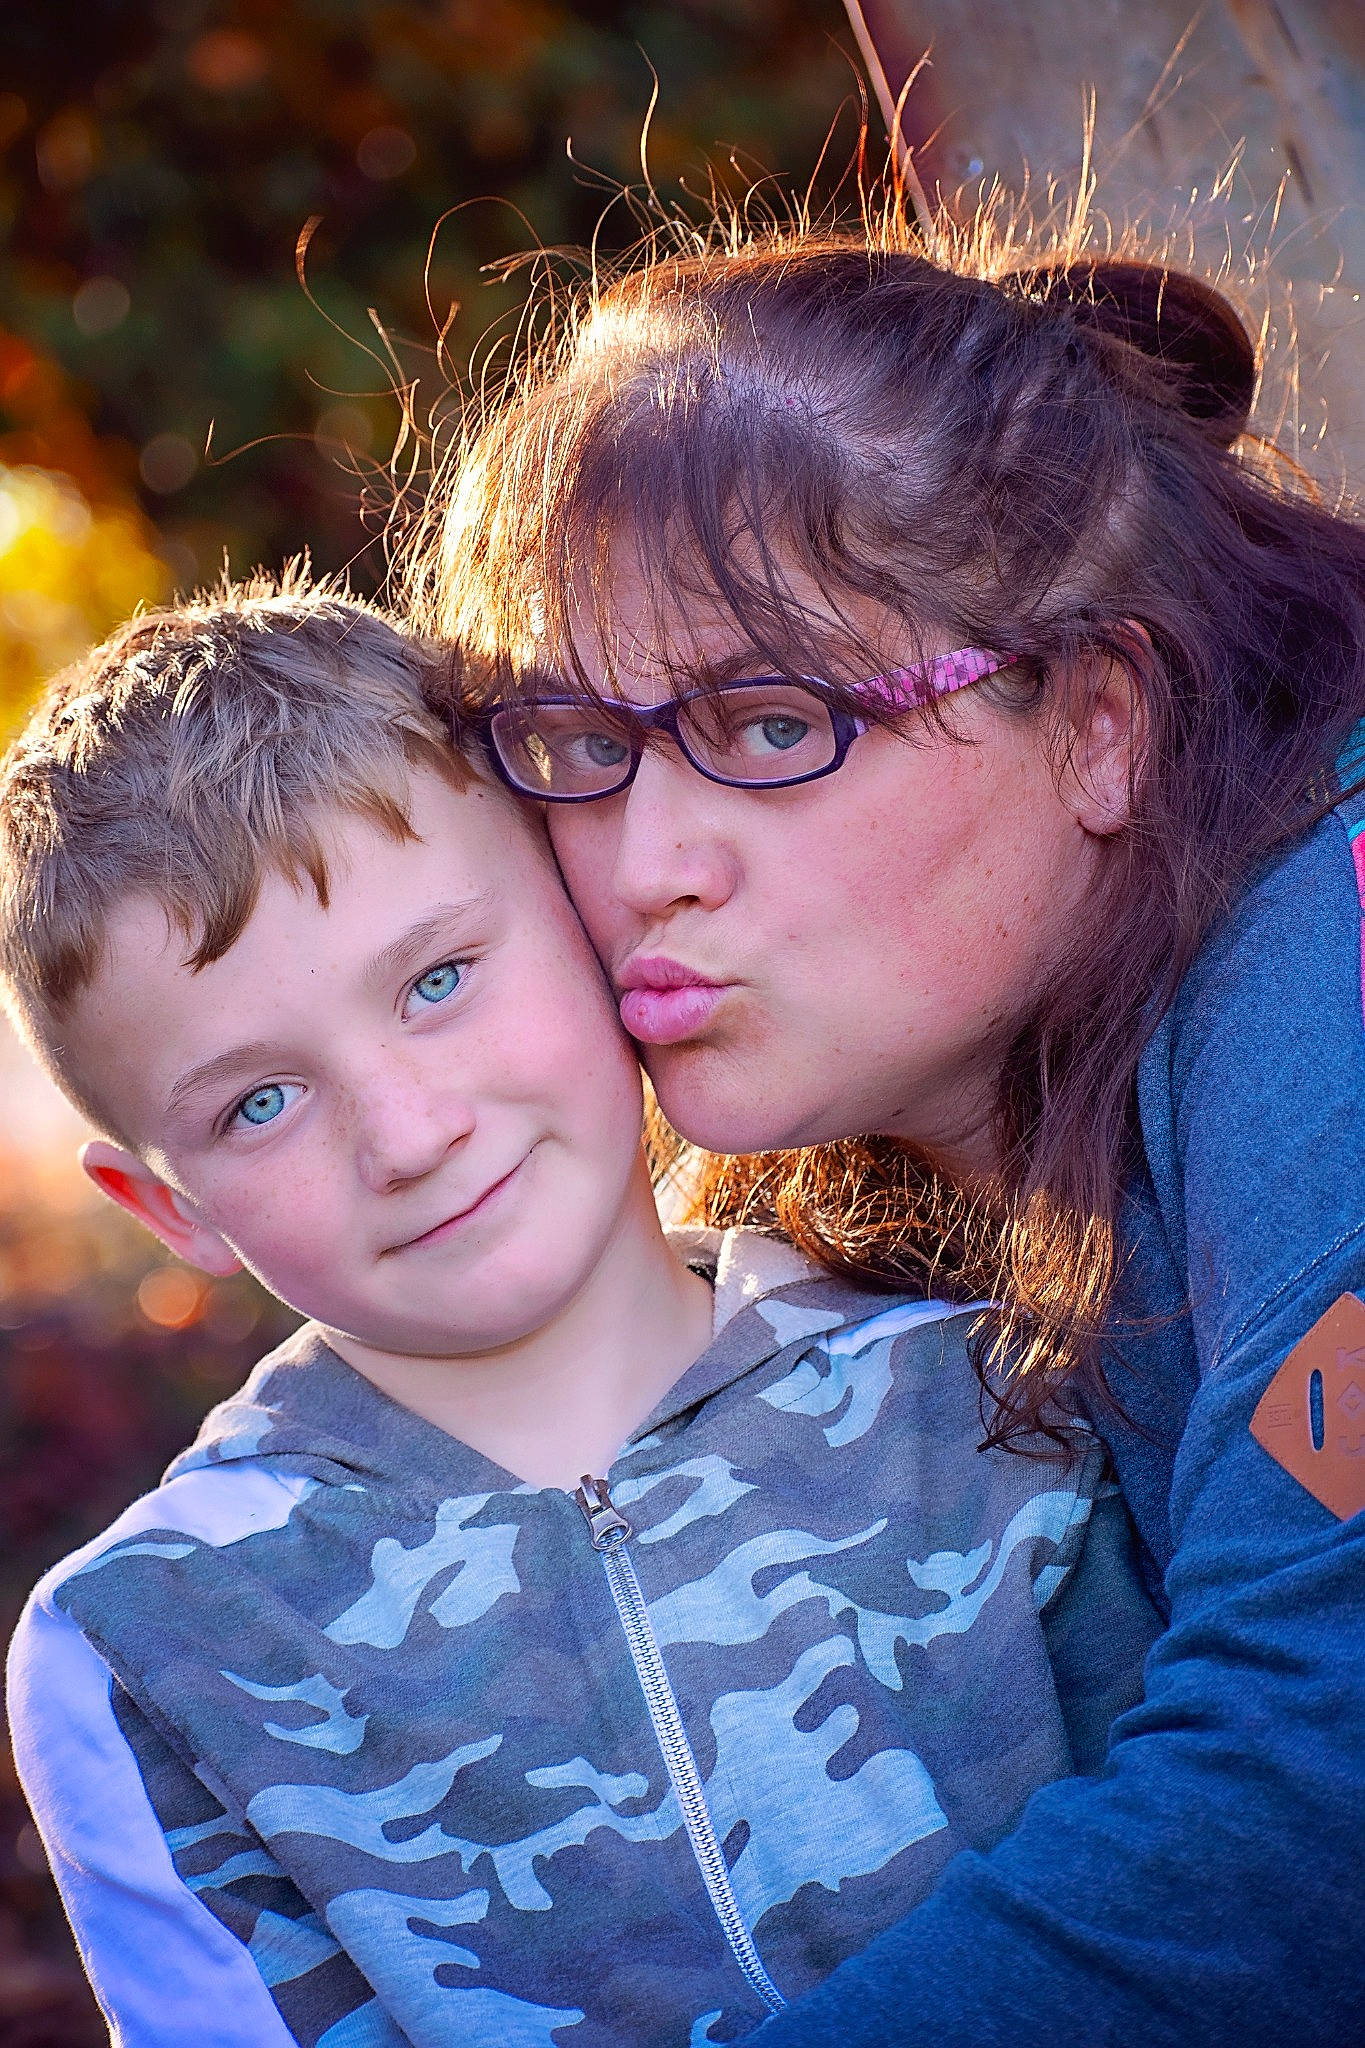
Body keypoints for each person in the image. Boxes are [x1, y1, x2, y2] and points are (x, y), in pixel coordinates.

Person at [426, 221, 1365, 2046]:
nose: (641, 862)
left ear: (1099, 721)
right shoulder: (892, 1158)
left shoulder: (1340, 927)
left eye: (769, 724)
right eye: (574, 741)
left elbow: (1311, 1791)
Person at [2, 574, 1160, 2047]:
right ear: (171, 1207)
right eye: (262, 1101)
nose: (407, 1133)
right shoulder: (151, 1646)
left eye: (436, 980)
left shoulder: (996, 1385)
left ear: (596, 923)